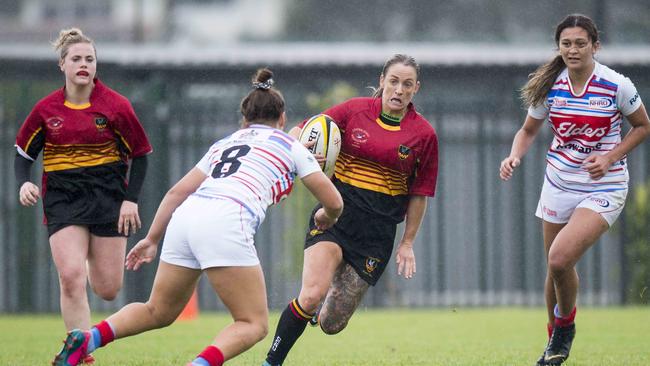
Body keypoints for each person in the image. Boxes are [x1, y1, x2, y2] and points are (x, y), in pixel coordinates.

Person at [52, 68, 343, 366]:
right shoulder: (292, 146)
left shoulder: (225, 144)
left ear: (244, 120)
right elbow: (334, 201)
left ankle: (88, 338)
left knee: (158, 310)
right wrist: (327, 217)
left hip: (186, 217)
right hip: (227, 219)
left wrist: (152, 239)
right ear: (282, 120)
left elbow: (177, 192)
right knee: (253, 323)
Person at [263, 54, 439, 366]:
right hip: (334, 218)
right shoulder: (353, 111)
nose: (399, 89)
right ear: (382, 80)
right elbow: (297, 134)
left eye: (407, 84)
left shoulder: (423, 135)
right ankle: (271, 361)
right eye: (394, 81)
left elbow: (419, 194)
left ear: (416, 89)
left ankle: (326, 302)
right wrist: (301, 155)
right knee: (310, 296)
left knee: (332, 323)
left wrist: (407, 242)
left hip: (376, 237)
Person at [499, 14, 650, 366]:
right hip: (558, 184)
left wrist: (611, 157)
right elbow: (528, 131)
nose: (573, 49)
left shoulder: (616, 85)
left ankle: (564, 329)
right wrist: (514, 156)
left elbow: (643, 127)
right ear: (559, 47)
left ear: (595, 46)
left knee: (560, 258)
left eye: (581, 43)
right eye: (566, 43)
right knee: (555, 271)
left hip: (604, 186)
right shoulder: (552, 86)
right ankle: (553, 347)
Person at [14, 28, 152, 364]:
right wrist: (24, 183)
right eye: (76, 58)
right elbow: (23, 154)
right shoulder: (46, 110)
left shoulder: (116, 106)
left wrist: (130, 200)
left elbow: (142, 154)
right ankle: (81, 354)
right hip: (64, 202)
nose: (83, 64)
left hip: (108, 201)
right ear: (62, 64)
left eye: (89, 59)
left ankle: (90, 257)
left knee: (107, 289)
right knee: (71, 277)